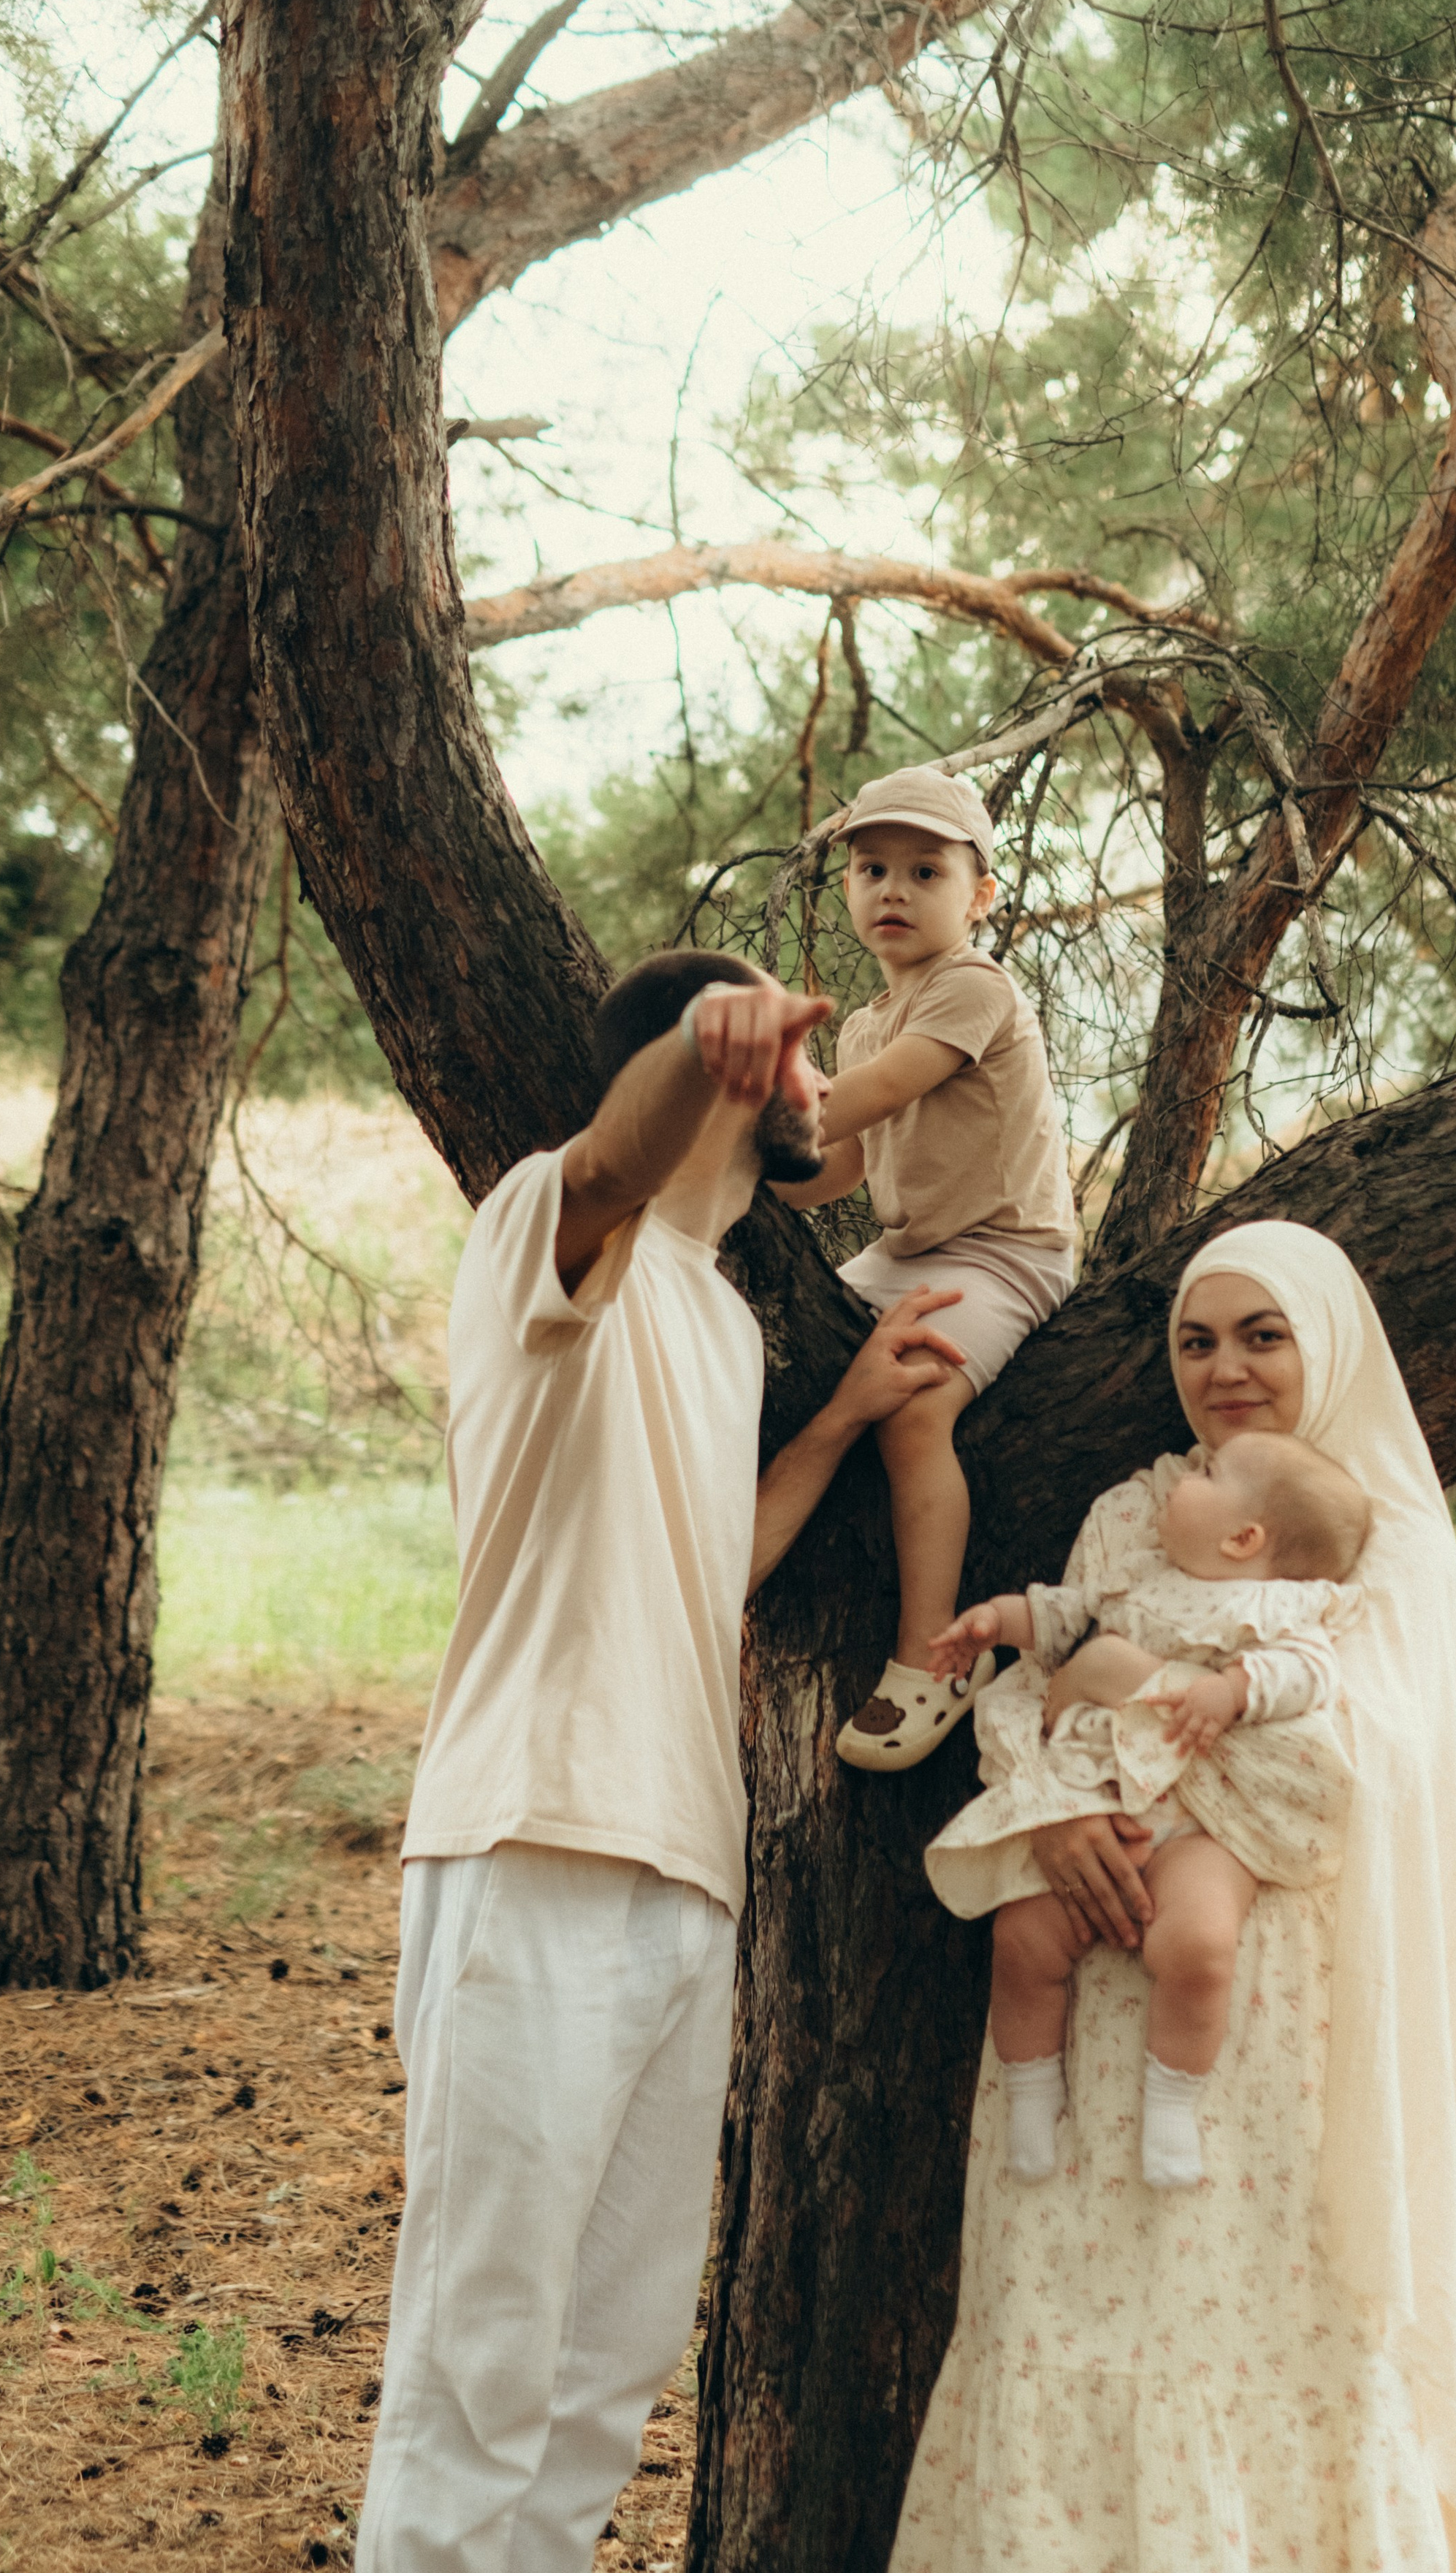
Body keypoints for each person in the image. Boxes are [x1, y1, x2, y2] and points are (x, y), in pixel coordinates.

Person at [357, 949, 967, 2573]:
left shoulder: (717, 1320)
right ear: (722, 1070)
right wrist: (701, 1050)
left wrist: (834, 1423)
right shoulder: (542, 1230)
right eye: (793, 1047)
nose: (824, 1084)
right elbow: (616, 1164)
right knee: (479, 2362)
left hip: (687, 1883)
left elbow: (710, 1581)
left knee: (601, 2382)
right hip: (530, 1842)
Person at [889, 1223, 1456, 2573]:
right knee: (1067, 2306)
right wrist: (1062, 1805)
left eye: (1264, 1335)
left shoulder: (1380, 1550)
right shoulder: (1134, 1513)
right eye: (1199, 1339)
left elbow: (1333, 1771)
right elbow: (1033, 1681)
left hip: (1261, 1996)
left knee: (1254, 2324)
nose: (1226, 1368)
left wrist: (1127, 1686)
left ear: (1327, 1346)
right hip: (1080, 1995)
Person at [923, 1429, 1369, 2187]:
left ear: (1243, 1537)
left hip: (1203, 1826)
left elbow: (1309, 1672)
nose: (1181, 1478)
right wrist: (996, 1622)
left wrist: (1233, 1690)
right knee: (1023, 1938)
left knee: (1197, 1946)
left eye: (1208, 1474)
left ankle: (1171, 2100)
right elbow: (1061, 1617)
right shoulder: (1136, 1576)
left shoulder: (1281, 1607)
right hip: (1100, 1795)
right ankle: (1033, 2090)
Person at [773, 764, 1077, 1772]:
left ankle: (931, 1655)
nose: (893, 889)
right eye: (871, 869)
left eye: (924, 870)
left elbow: (879, 1094)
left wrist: (751, 1120)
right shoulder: (863, 1025)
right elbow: (837, 1167)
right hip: (908, 1252)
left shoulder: (972, 988)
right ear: (848, 889)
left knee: (915, 1405)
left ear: (978, 896)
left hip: (1004, 1250)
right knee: (772, 1351)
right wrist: (751, 1180)